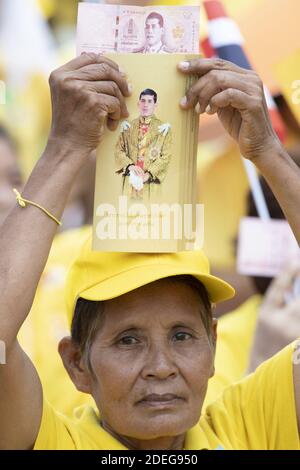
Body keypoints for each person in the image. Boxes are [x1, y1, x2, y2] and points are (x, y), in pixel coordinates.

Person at [0, 53, 300, 450]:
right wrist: (65, 148)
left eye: (182, 336)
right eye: (128, 340)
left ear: (213, 344)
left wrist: (267, 150)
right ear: (77, 364)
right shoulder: (53, 441)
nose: (161, 368)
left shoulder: (251, 424)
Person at [115, 88, 172, 199]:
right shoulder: (129, 126)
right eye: (143, 101)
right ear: (138, 104)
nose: (145, 105)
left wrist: (149, 174)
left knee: (151, 212)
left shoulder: (163, 128)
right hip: (130, 182)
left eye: (149, 101)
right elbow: (119, 150)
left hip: (150, 185)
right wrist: (130, 165)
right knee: (125, 211)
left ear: (155, 105)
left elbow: (166, 156)